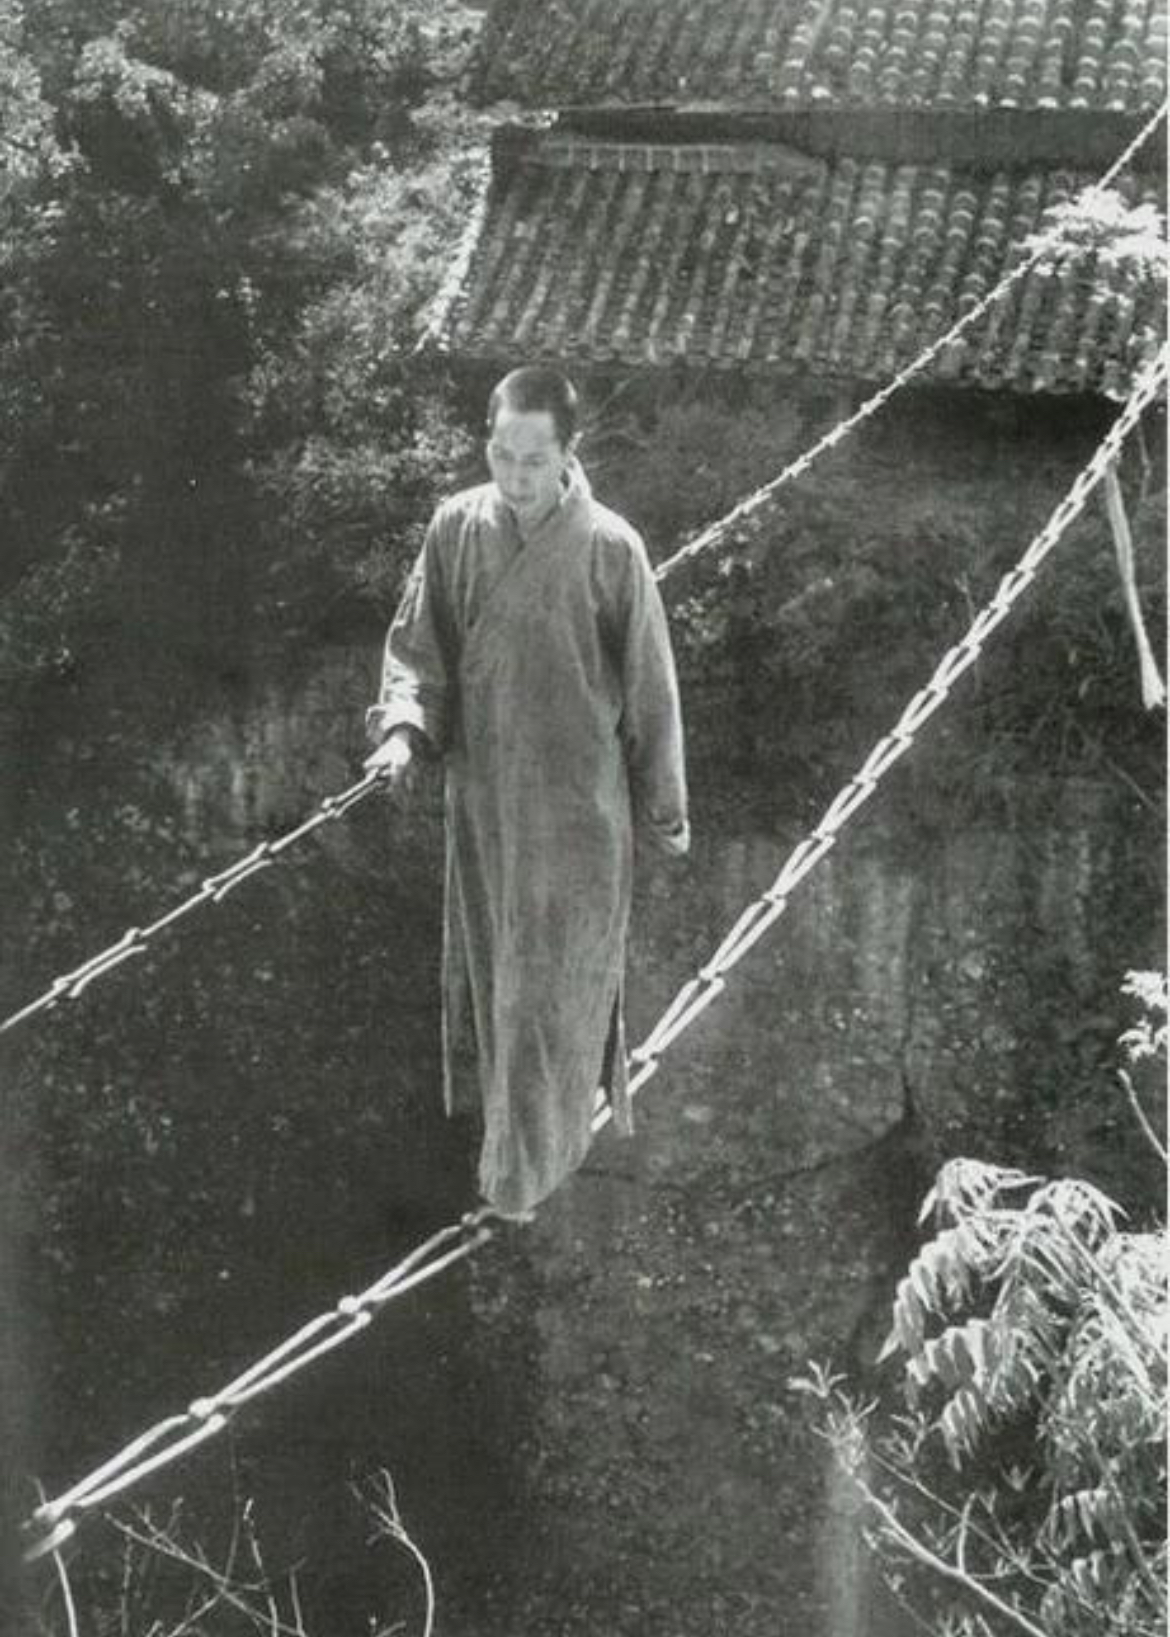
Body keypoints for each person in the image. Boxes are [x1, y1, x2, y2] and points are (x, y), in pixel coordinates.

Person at [365, 366, 689, 1220]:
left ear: (569, 454)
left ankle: (522, 1179)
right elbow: (416, 650)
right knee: (500, 978)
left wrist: (664, 805)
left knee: (554, 987)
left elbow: (651, 686)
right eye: (501, 455)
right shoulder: (454, 530)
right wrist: (403, 731)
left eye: (533, 460)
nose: (514, 476)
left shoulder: (612, 548)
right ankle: (513, 1161)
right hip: (488, 804)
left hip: (579, 812)